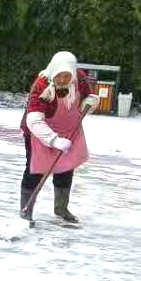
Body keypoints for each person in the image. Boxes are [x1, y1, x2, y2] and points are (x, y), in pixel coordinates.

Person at [20, 50, 97, 225]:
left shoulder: (80, 79)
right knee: (35, 171)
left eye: (66, 76)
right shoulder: (41, 85)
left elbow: (85, 101)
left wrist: (90, 103)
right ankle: (26, 211)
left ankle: (61, 208)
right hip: (38, 132)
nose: (63, 80)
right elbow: (34, 120)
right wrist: (54, 140)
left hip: (69, 130)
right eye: (59, 76)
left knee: (66, 168)